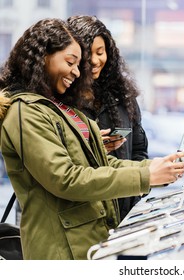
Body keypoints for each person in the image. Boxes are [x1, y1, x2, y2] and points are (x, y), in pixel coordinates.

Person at [0, 18, 184, 260]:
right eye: (71, 62)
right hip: (62, 249)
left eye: (80, 65)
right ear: (43, 56)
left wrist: (153, 168)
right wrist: (145, 175)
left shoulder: (61, 108)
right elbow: (65, 179)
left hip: (88, 241)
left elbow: (102, 165)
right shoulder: (25, 111)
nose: (77, 72)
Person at [67, 15, 149, 221]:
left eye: (100, 52)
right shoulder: (61, 101)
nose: (95, 61)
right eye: (87, 54)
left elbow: (139, 150)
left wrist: (139, 189)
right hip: (83, 215)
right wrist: (94, 149)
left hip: (125, 212)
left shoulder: (123, 97)